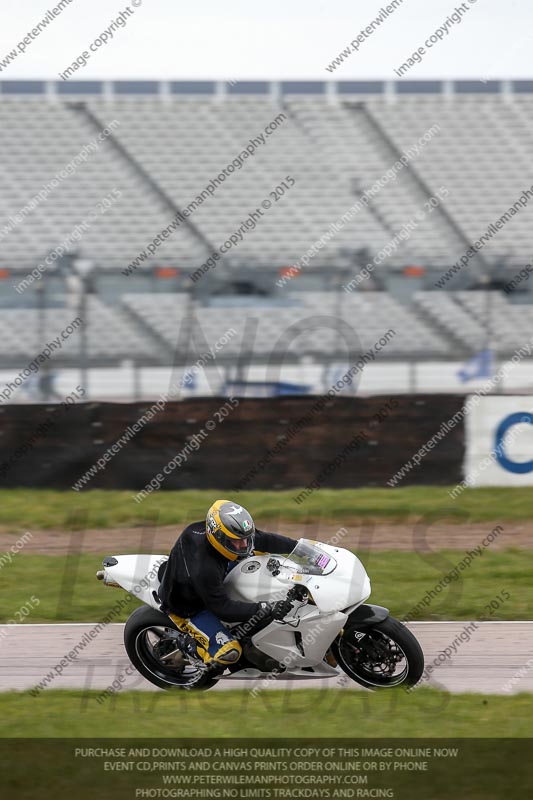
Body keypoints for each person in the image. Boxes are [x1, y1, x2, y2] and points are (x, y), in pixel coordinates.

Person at [158, 499, 295, 669]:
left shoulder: (230, 536)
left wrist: (300, 548)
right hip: (190, 607)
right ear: (218, 537)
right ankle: (188, 645)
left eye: (246, 538)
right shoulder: (204, 567)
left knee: (260, 555)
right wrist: (265, 608)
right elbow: (222, 609)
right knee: (229, 652)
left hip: (215, 579)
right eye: (236, 541)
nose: (243, 544)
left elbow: (264, 540)